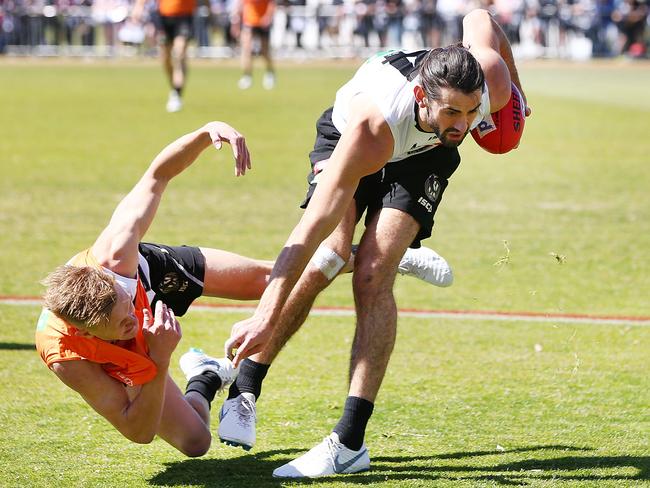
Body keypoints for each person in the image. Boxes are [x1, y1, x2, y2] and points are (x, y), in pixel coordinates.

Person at [222, 8, 530, 478]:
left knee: (371, 275)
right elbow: (306, 235)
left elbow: (480, 15)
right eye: (452, 111)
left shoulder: (488, 82)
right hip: (353, 139)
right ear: (422, 96)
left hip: (422, 155)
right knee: (330, 253)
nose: (464, 124)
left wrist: (517, 91)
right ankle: (245, 388)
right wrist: (263, 315)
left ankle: (348, 442)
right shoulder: (372, 127)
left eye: (471, 111)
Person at [35, 121, 452, 457]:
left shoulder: (117, 254)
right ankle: (205, 376)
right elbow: (135, 430)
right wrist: (159, 356)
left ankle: (382, 257)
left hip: (150, 273)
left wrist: (205, 133)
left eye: (130, 307)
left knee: (269, 282)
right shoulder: (68, 355)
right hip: (128, 358)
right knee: (197, 443)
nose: (135, 319)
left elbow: (156, 176)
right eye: (124, 324)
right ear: (92, 334)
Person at [132, 0, 196, 112]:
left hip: (184, 16)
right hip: (163, 17)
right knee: (165, 57)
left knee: (179, 53)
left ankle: (177, 93)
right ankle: (174, 88)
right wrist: (139, 6)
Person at [230, 0, 277, 89]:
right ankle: (247, 76)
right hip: (249, 22)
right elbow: (239, 6)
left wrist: (268, 16)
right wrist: (235, 23)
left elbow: (272, 4)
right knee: (247, 50)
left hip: (263, 24)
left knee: (265, 52)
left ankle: (270, 73)